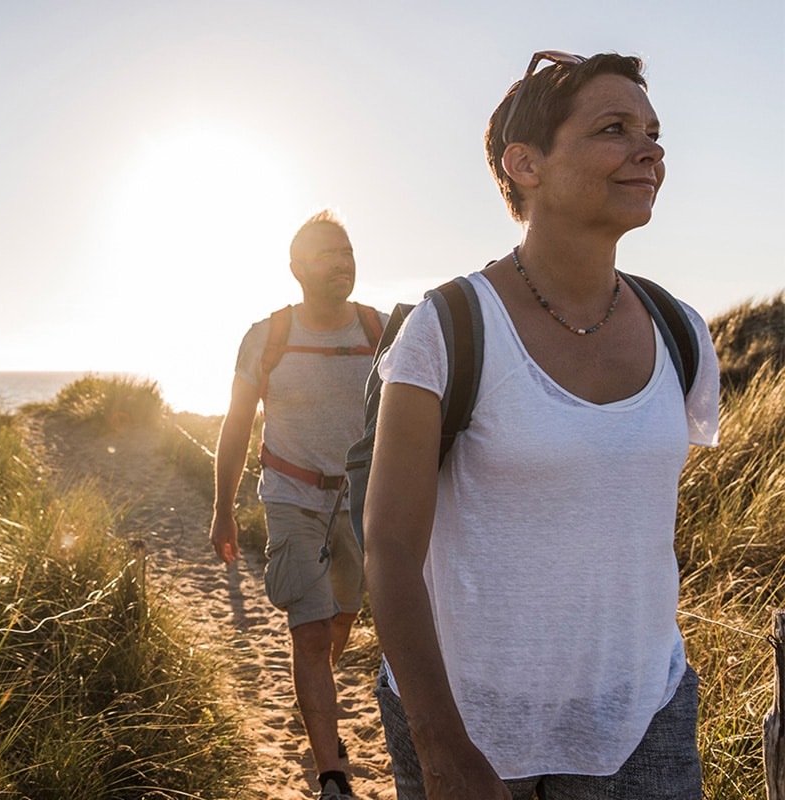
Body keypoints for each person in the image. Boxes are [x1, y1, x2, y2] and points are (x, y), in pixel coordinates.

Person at [363, 52, 721, 800]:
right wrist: (440, 746)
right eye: (613, 129)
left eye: (653, 131)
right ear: (524, 164)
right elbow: (391, 549)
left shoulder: (681, 332)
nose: (648, 149)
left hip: (643, 716)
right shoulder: (449, 326)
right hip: (472, 723)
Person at [210, 209, 388, 800]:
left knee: (342, 618)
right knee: (309, 634)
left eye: (348, 253)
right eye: (326, 255)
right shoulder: (267, 336)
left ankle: (320, 698)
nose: (342, 264)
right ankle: (331, 772)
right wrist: (222, 507)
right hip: (290, 497)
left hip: (361, 504)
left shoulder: (381, 332)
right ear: (296, 270)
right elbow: (237, 426)